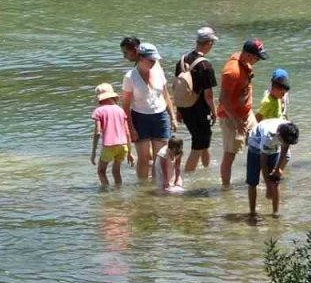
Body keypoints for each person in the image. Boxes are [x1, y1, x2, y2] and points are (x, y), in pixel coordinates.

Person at [122, 43, 178, 179]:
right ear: (141, 58)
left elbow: (166, 96)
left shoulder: (158, 72)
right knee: (144, 158)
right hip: (140, 118)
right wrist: (131, 128)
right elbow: (126, 106)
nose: (153, 62)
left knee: (161, 157)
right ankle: (143, 190)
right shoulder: (130, 77)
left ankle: (157, 188)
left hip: (160, 117)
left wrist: (173, 117)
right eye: (151, 60)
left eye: (155, 60)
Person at [218, 38, 268, 187]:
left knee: (258, 143)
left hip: (247, 113)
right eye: (257, 57)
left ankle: (256, 180)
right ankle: (225, 188)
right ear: (247, 54)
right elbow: (222, 99)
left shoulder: (243, 60)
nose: (258, 60)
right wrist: (237, 121)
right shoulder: (232, 72)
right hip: (231, 117)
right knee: (230, 154)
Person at [172, 26, 220, 172]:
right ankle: (187, 177)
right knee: (198, 147)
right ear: (209, 43)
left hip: (185, 109)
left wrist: (178, 111)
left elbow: (176, 88)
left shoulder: (181, 61)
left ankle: (206, 170)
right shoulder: (206, 65)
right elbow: (208, 95)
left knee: (204, 142)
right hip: (200, 111)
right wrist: (214, 111)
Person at [246, 119, 300, 217]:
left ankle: (275, 213)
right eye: (285, 142)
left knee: (275, 180)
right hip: (256, 143)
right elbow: (263, 163)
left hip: (273, 144)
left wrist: (277, 169)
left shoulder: (288, 130)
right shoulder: (269, 137)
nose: (287, 145)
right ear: (279, 136)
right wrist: (268, 186)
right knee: (252, 181)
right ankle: (252, 212)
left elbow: (284, 151)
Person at [90, 82, 134, 187]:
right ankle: (118, 192)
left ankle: (106, 193)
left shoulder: (98, 111)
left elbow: (97, 133)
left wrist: (93, 153)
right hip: (123, 145)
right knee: (116, 172)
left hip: (109, 146)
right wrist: (130, 152)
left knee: (101, 171)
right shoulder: (120, 110)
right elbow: (127, 133)